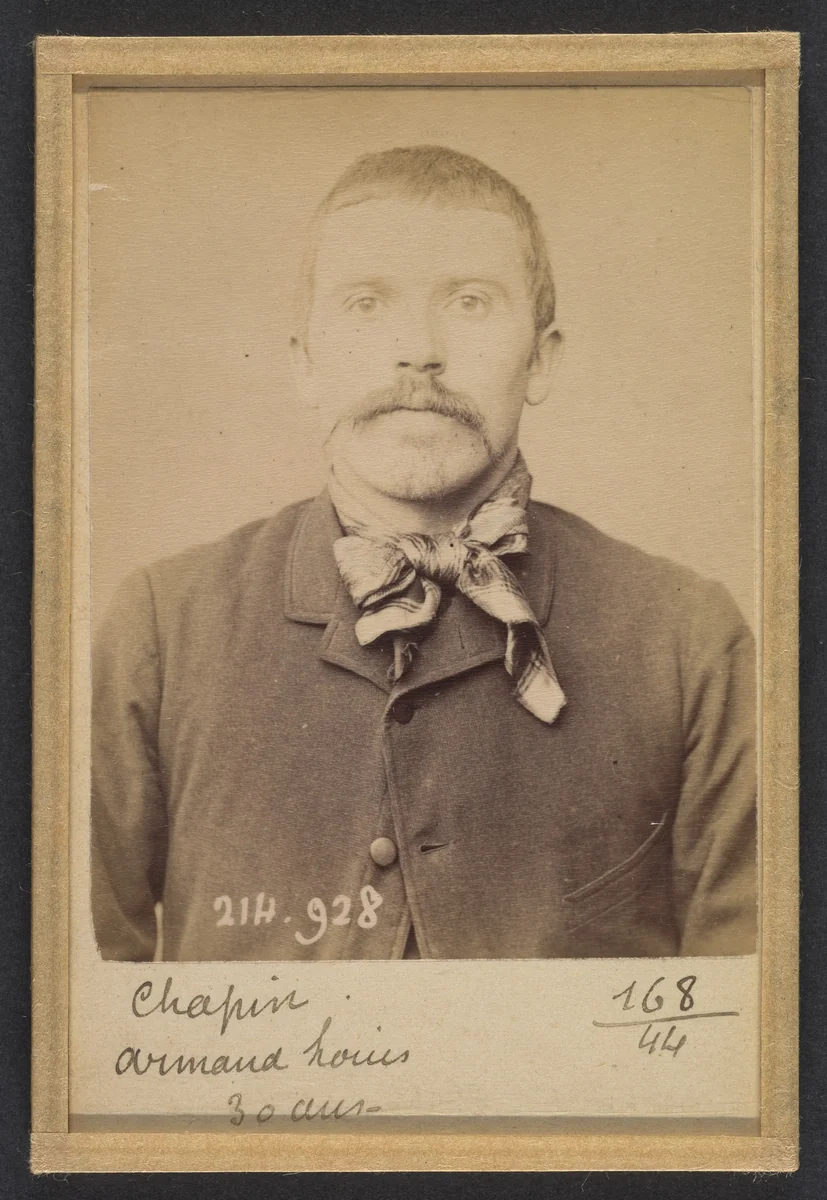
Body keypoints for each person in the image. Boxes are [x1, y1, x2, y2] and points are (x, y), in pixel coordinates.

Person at [91, 145, 757, 962]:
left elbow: (748, 1029)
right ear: (305, 362)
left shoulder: (687, 639)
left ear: (540, 359)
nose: (419, 348)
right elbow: (73, 1012)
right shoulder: (161, 627)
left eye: (470, 302)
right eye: (368, 303)